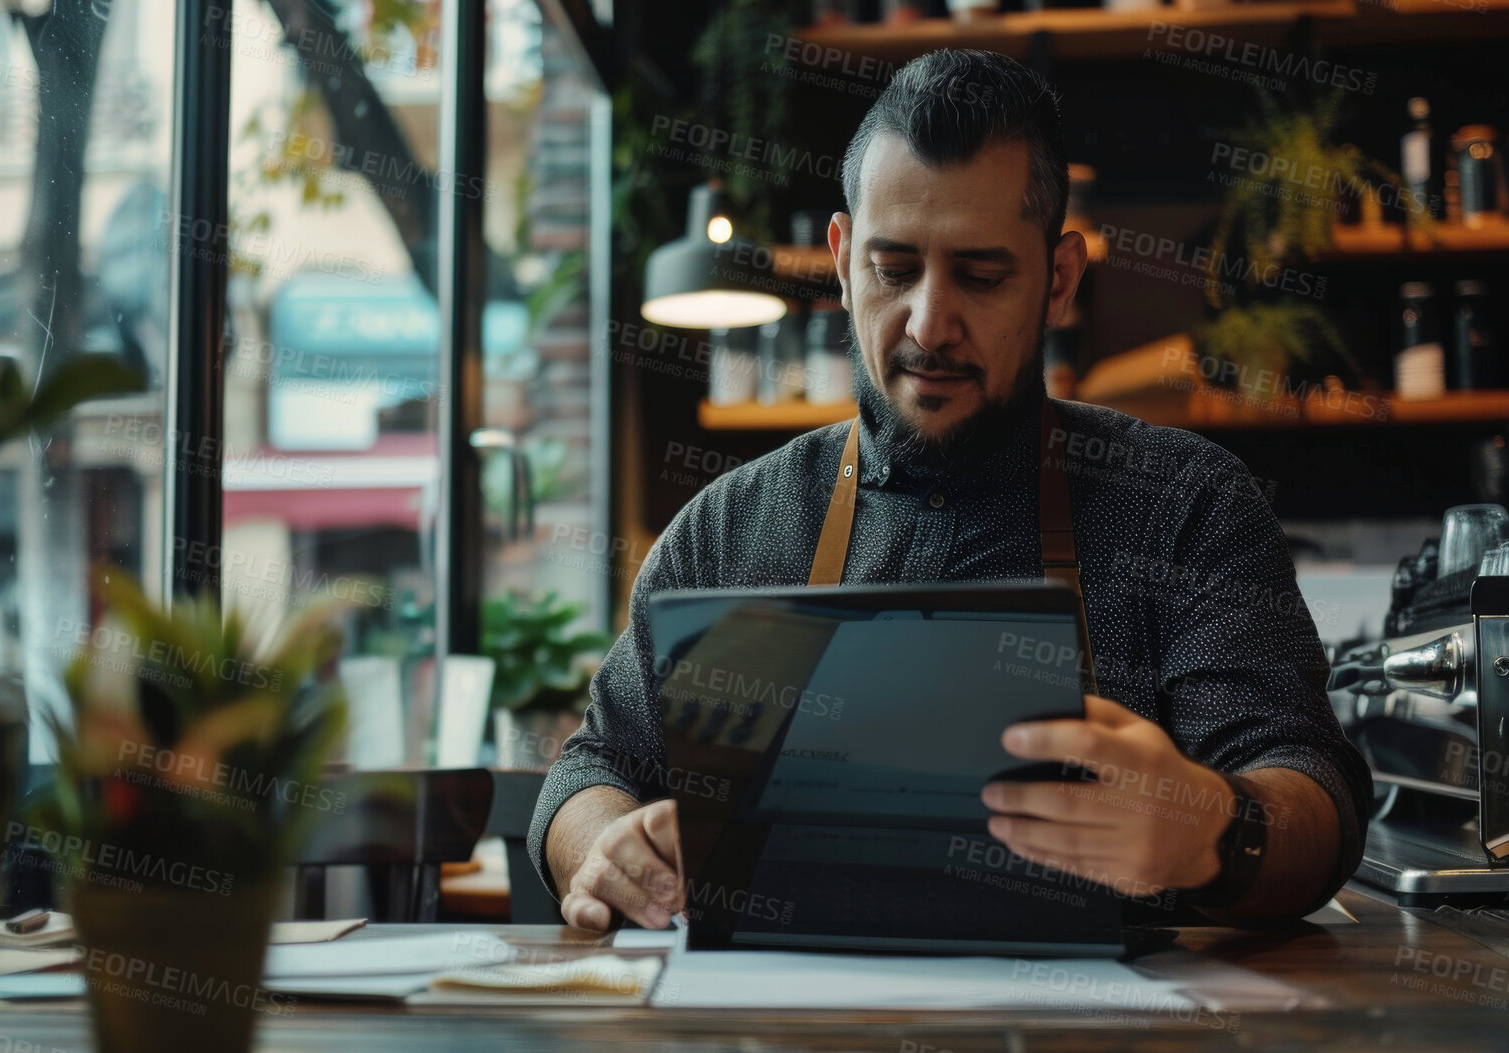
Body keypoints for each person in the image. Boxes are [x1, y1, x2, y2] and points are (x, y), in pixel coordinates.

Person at [530, 48, 1370, 931]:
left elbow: (1315, 797)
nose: (929, 324)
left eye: (981, 274)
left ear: (1058, 280)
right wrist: (608, 848)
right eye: (894, 269)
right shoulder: (726, 528)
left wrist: (1212, 829)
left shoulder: (1184, 505)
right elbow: (589, 770)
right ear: (842, 257)